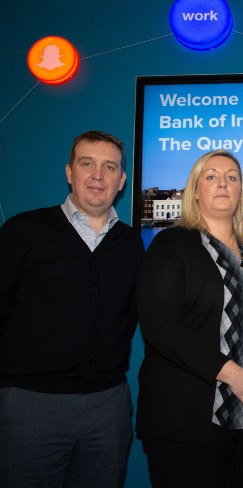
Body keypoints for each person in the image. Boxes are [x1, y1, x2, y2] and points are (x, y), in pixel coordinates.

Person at [135, 150, 243, 488]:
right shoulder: (172, 244)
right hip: (188, 418)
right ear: (195, 190)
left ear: (241, 191)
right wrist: (234, 375)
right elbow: (160, 325)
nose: (223, 182)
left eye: (232, 177)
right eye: (211, 176)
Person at [0, 131, 144, 488]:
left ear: (122, 180)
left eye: (109, 167)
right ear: (69, 172)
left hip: (108, 407)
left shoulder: (130, 244)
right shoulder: (23, 231)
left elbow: (129, 318)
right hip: (30, 407)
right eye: (87, 164)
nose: (98, 175)